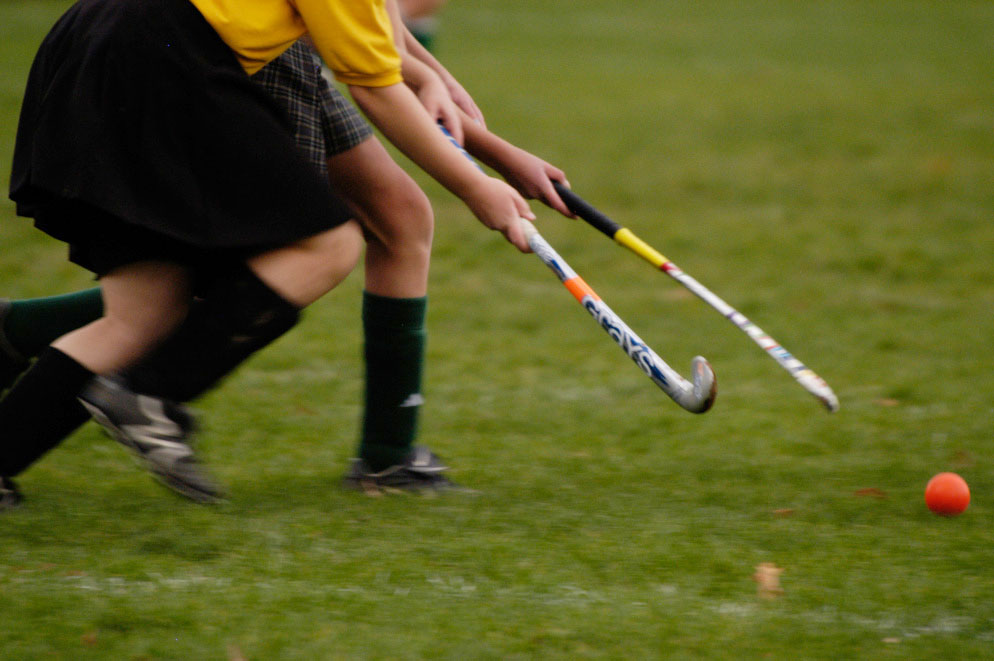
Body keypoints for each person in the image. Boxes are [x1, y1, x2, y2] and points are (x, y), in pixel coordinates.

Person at [1, 4, 572, 508]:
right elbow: (373, 83)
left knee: (147, 310)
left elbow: (377, 29)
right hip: (176, 57)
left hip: (103, 38)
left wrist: (484, 139)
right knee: (323, 242)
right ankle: (148, 393)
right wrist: (478, 187)